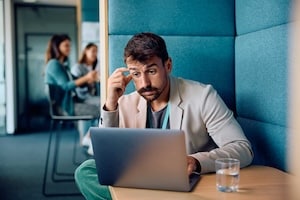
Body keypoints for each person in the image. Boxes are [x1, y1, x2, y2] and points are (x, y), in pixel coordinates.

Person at [74, 32, 253, 200]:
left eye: (151, 71)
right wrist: (111, 103)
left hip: (184, 180)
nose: (144, 83)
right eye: (136, 74)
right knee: (85, 171)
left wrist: (196, 162)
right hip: (141, 176)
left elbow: (243, 149)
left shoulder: (203, 96)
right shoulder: (124, 103)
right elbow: (107, 159)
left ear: (168, 65)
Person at [44, 34, 100, 149]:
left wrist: (88, 79)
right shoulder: (54, 64)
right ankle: (89, 138)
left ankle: (90, 139)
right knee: (102, 110)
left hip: (70, 103)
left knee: (102, 104)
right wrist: (86, 77)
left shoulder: (62, 65)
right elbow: (65, 86)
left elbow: (73, 82)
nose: (69, 48)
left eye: (69, 46)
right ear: (57, 46)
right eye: (66, 46)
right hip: (64, 108)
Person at [71, 43, 101, 152]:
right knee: (103, 104)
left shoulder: (94, 67)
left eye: (96, 51)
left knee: (103, 105)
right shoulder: (77, 67)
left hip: (91, 96)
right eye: (92, 51)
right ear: (86, 51)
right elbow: (76, 87)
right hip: (82, 97)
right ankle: (90, 138)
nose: (95, 54)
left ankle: (91, 137)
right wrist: (89, 81)